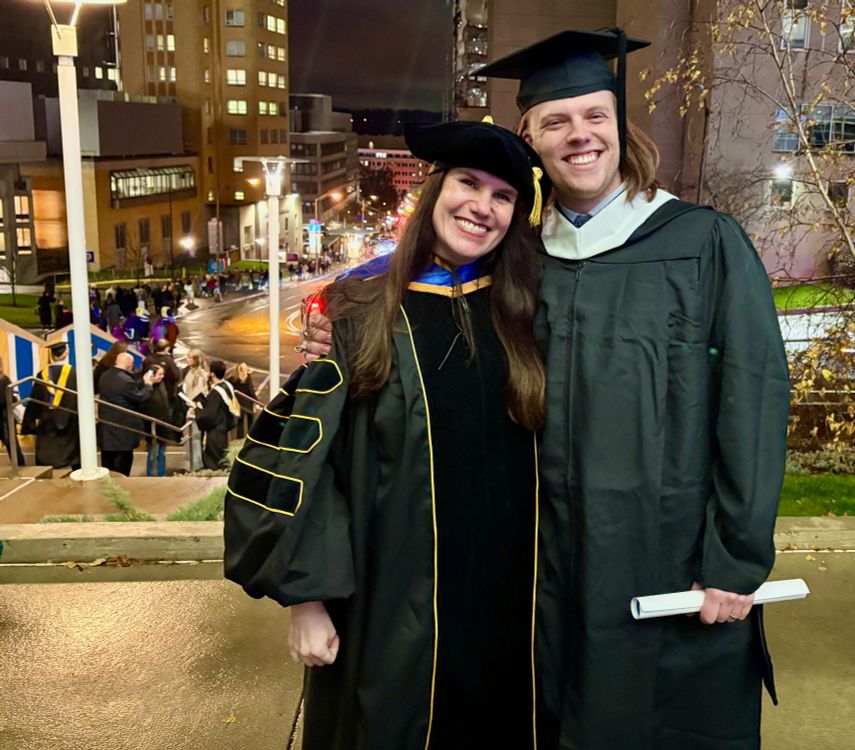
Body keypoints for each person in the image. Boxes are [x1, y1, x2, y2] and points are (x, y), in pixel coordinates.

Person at [303, 30, 791, 750]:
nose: (579, 135)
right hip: (539, 574)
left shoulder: (703, 243)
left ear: (619, 127)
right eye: (555, 121)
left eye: (594, 115)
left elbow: (754, 401)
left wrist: (735, 559)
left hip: (667, 558)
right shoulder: (521, 265)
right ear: (530, 137)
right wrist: (337, 327)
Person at [225, 120, 549, 750]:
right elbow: (309, 463)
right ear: (435, 190)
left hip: (507, 598)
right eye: (468, 183)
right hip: (391, 596)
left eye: (503, 196)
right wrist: (307, 599)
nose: (482, 206)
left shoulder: (527, 310)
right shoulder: (358, 310)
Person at [97, 351, 161, 476]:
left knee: (108, 462)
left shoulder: (105, 376)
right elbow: (140, 397)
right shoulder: (125, 380)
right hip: (123, 429)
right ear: (128, 364)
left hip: (107, 425)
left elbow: (125, 389)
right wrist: (148, 385)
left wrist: (141, 382)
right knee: (123, 464)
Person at [20, 341, 80, 470]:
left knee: (48, 444)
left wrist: (29, 423)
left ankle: (45, 466)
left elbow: (35, 399)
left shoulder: (42, 374)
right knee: (72, 446)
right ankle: (75, 466)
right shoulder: (75, 373)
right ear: (66, 353)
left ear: (52, 355)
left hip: (48, 418)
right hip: (71, 418)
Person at [194, 359, 237, 470]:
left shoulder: (217, 392)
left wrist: (197, 410)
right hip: (223, 427)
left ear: (212, 374)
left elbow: (210, 415)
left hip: (215, 432)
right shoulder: (227, 385)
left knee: (214, 462)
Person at [140, 359, 173, 476]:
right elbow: (142, 402)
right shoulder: (146, 388)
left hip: (163, 424)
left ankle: (161, 473)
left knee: (162, 452)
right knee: (153, 452)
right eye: (159, 374)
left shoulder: (162, 386)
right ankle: (151, 474)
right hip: (152, 425)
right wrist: (148, 384)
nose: (162, 377)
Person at [180, 348, 210, 471]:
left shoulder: (200, 375)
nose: (187, 359)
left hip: (194, 409)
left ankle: (195, 465)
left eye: (190, 357)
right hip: (189, 407)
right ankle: (191, 464)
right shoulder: (190, 372)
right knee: (190, 438)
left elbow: (200, 394)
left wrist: (192, 406)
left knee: (194, 438)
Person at [0, 356, 25, 466]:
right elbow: (7, 398)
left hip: (4, 417)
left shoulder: (4, 380)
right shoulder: (4, 379)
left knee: (11, 444)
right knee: (11, 444)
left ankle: (19, 465)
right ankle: (19, 466)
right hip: (5, 417)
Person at [226, 362, 256, 439]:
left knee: (240, 422)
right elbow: (250, 391)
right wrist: (255, 400)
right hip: (248, 402)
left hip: (239, 403)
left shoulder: (233, 379)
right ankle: (250, 437)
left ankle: (239, 438)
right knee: (250, 421)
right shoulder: (247, 378)